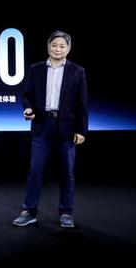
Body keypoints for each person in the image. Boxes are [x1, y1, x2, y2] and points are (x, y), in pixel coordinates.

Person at [13, 30, 88, 228]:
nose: (57, 49)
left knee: (67, 172)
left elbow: (82, 104)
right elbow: (27, 95)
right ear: (48, 47)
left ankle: (66, 212)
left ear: (68, 49)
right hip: (42, 125)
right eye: (54, 45)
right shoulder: (35, 69)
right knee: (35, 170)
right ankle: (29, 211)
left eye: (62, 46)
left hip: (66, 128)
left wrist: (81, 130)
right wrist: (28, 108)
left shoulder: (77, 71)